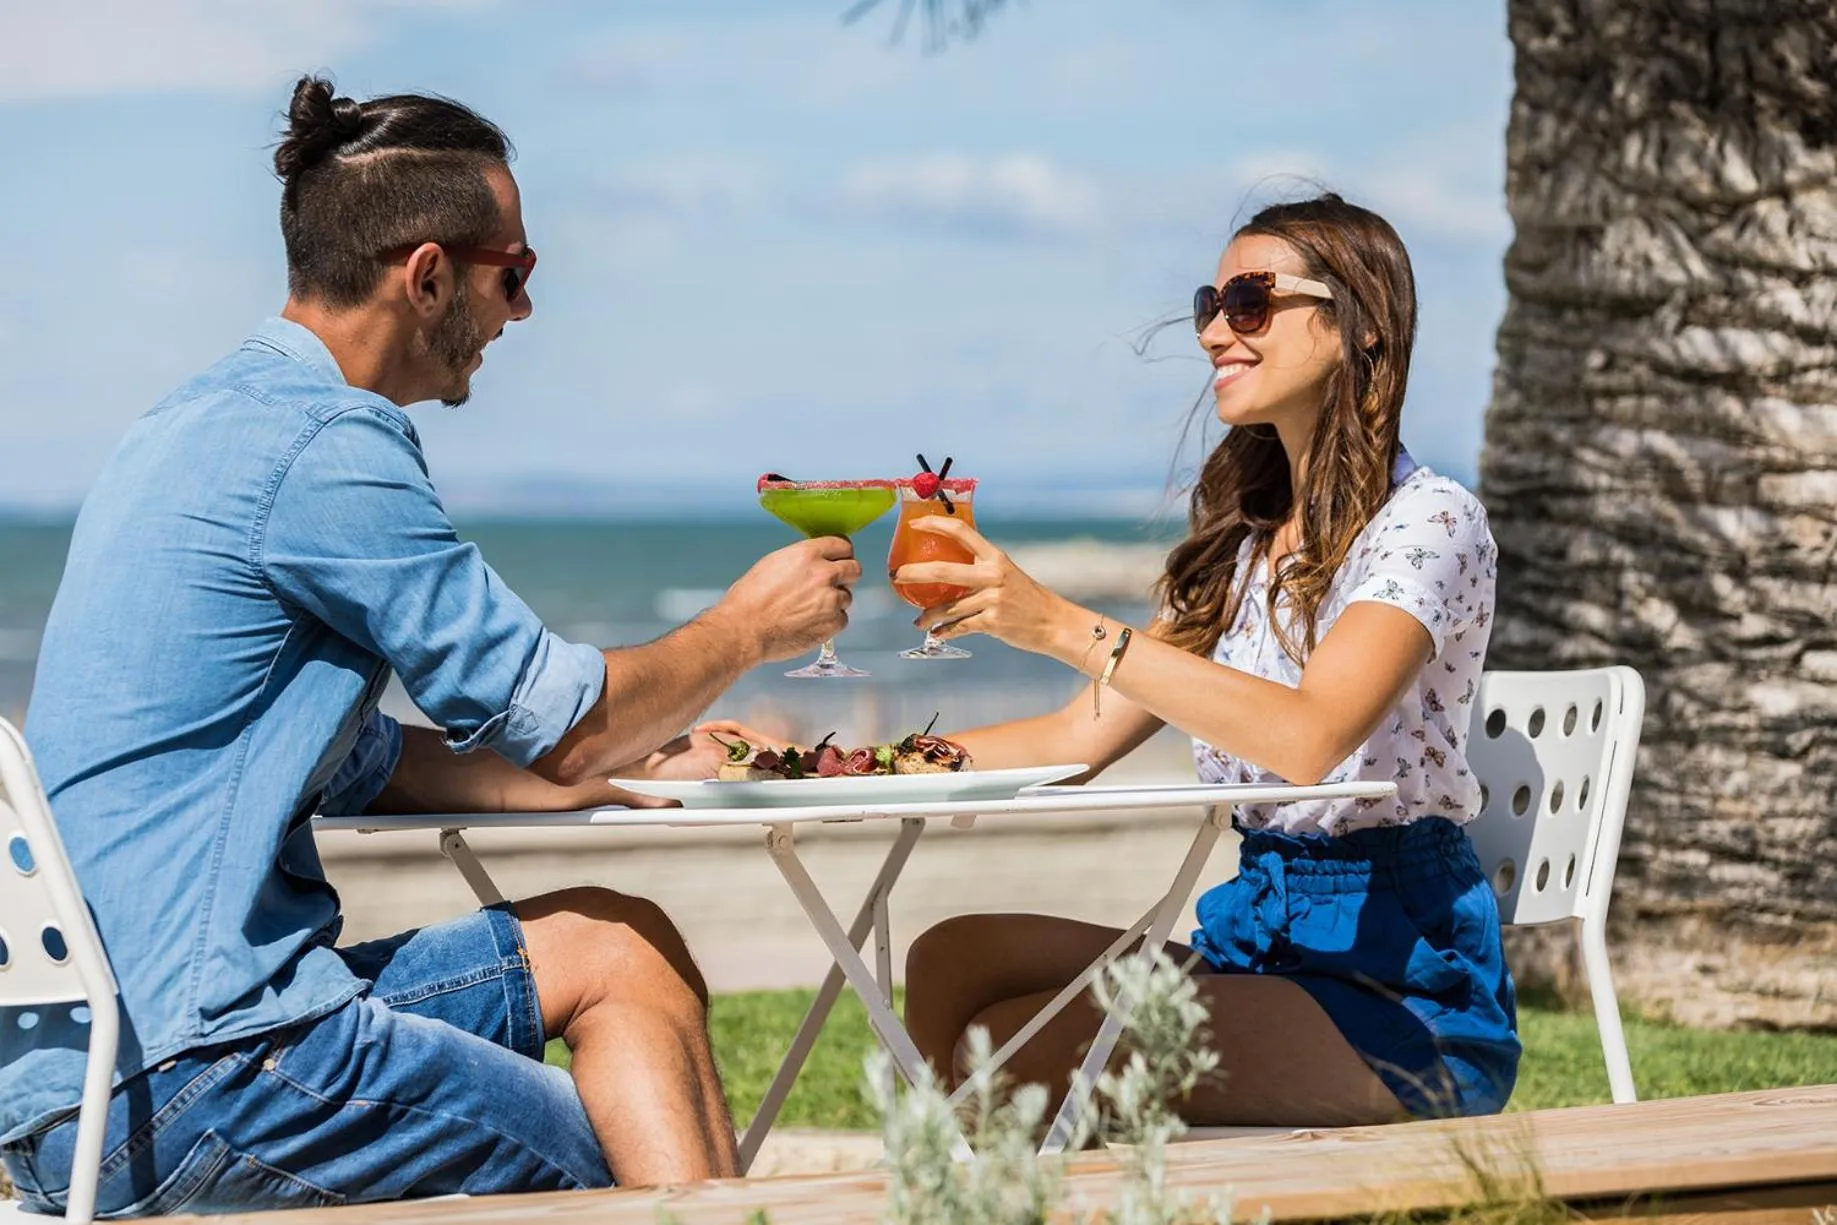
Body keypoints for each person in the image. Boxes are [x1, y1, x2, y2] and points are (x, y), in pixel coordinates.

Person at [0, 76, 859, 1215]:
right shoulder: (325, 443)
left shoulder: (195, 425)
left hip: (88, 1063)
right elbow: (571, 719)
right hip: (194, 1074)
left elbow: (357, 756)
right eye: (518, 273)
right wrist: (748, 626)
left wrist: (609, 769)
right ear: (428, 274)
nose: (524, 311)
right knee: (625, 1155)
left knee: (620, 946)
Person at [893, 194, 1517, 1125]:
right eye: (1209, 304)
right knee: (952, 957)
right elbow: (1076, 735)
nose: (1215, 331)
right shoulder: (1244, 545)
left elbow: (1308, 737)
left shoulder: (1429, 522)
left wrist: (1060, 624)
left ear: (1360, 327)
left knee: (1038, 1044)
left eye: (1250, 301)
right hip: (1256, 947)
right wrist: (840, 763)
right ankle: (980, 1193)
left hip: (1401, 999)